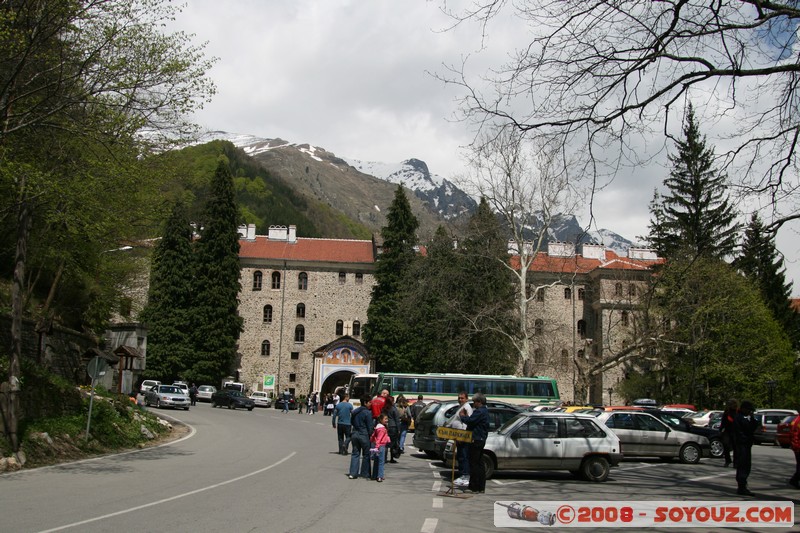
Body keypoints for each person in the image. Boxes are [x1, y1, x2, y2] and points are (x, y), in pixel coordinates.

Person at [460, 392, 490, 494]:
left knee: (474, 464)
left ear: (479, 402)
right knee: (480, 464)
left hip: (476, 439)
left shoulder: (480, 411)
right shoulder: (485, 411)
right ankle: (481, 487)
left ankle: (474, 487)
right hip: (481, 439)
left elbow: (470, 421)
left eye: (474, 402)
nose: (473, 404)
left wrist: (463, 416)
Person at [732, 400, 761, 496]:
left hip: (746, 443)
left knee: (747, 464)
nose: (749, 412)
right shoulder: (739, 417)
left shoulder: (747, 418)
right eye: (748, 410)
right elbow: (744, 429)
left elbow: (753, 427)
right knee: (743, 464)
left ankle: (743, 484)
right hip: (741, 443)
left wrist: (752, 418)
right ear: (744, 409)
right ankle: (741, 485)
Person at [447, 391, 473, 487]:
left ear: (466, 399)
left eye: (462, 398)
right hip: (458, 436)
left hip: (463, 437)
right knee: (460, 456)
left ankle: (465, 476)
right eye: (459, 398)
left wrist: (462, 436)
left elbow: (467, 422)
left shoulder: (467, 408)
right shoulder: (461, 407)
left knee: (464, 456)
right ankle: (462, 475)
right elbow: (454, 420)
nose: (460, 399)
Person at [348, 395, 374, 479]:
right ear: (365, 403)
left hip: (355, 433)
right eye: (370, 402)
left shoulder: (355, 412)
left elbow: (351, 422)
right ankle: (365, 473)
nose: (371, 404)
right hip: (364, 434)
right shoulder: (367, 412)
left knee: (355, 453)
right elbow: (370, 426)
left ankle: (353, 473)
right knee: (366, 454)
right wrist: (372, 436)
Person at [370, 413, 391, 482]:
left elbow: (373, 436)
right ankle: (380, 476)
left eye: (387, 419)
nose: (386, 420)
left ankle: (374, 475)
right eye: (385, 419)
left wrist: (373, 441)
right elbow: (379, 438)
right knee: (381, 462)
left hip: (377, 445)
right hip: (381, 446)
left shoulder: (377, 427)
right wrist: (377, 446)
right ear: (381, 420)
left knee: (376, 461)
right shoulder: (382, 429)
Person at [382, 395, 401, 463]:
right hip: (393, 427)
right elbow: (397, 420)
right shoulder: (393, 409)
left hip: (386, 426)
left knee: (385, 443)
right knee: (393, 443)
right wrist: (399, 429)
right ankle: (392, 458)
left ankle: (384, 458)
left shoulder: (384, 408)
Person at [720, 399, 738, 467]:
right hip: (727, 431)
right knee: (725, 444)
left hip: (735, 431)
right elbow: (723, 421)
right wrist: (720, 429)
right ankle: (728, 460)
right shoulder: (727, 412)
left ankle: (735, 462)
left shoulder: (737, 412)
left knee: (736, 447)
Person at [789, 407, 800, 489]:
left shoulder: (796, 420)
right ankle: (794, 479)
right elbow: (795, 435)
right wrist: (796, 446)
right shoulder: (798, 421)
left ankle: (795, 479)